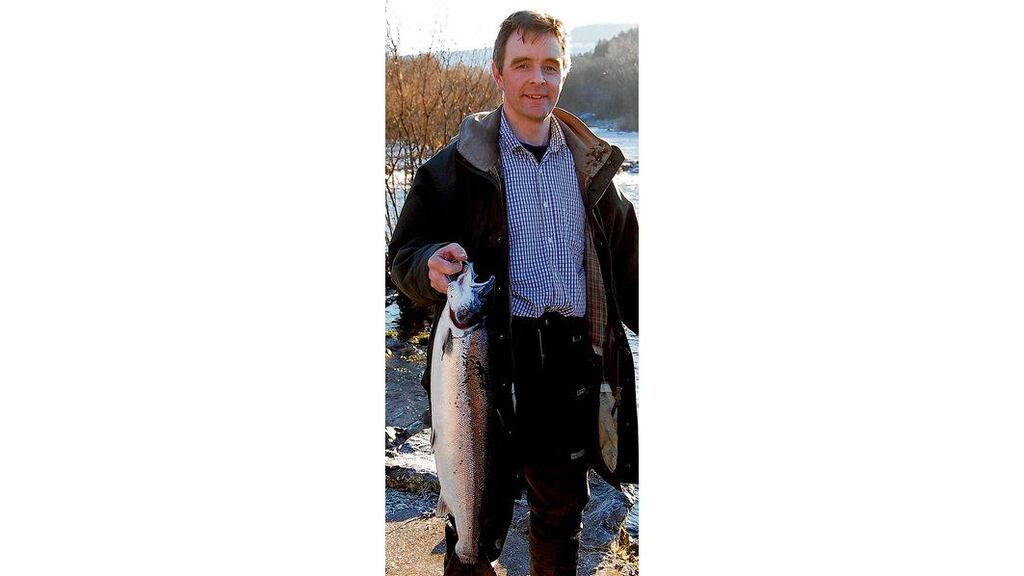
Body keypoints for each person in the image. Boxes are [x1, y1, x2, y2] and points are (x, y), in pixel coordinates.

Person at [388, 10, 638, 576]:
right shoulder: (452, 169)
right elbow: (401, 256)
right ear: (497, 74)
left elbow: (633, 275)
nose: (537, 79)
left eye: (551, 65)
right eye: (522, 64)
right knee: (471, 523)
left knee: (559, 521)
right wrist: (426, 263)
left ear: (564, 74)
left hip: (568, 371)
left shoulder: (593, 171)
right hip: (482, 369)